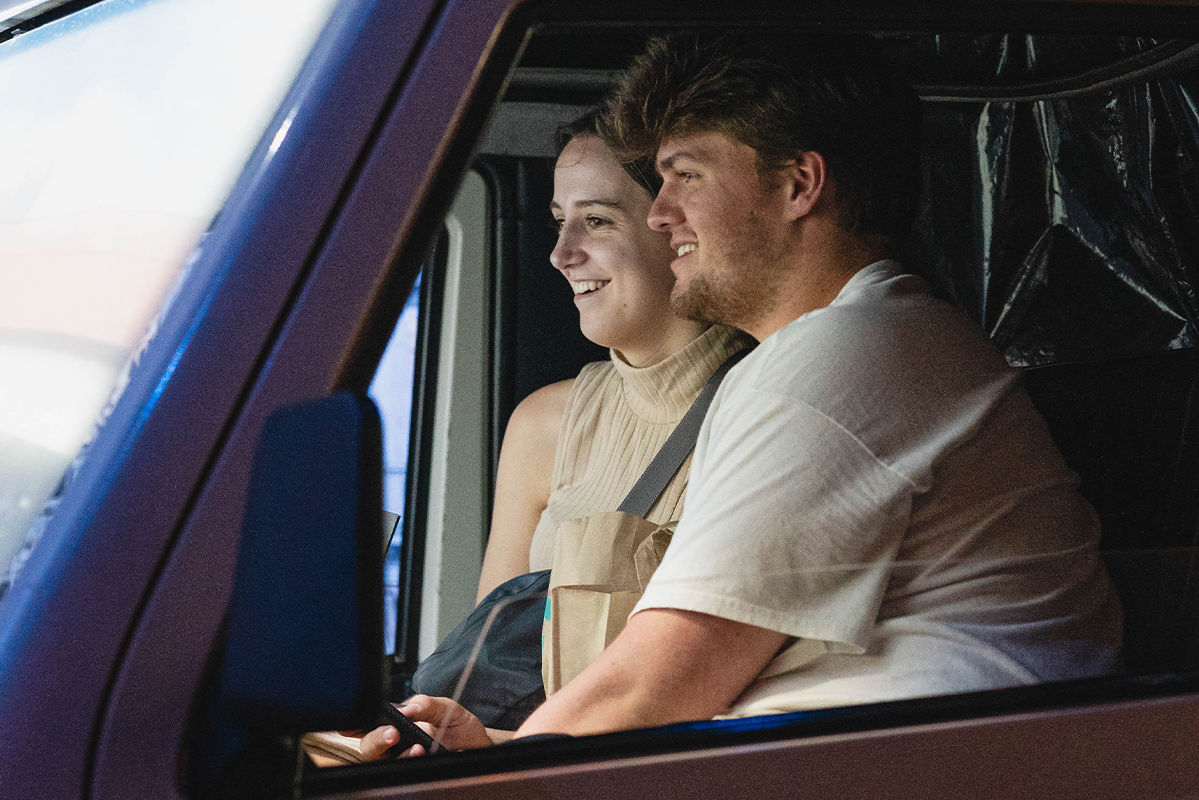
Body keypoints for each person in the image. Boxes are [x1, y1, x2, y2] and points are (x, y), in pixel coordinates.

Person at [362, 32, 1122, 754]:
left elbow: (652, 691)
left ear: (798, 184)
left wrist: (465, 779)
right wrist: (491, 744)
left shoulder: (844, 354)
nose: (661, 215)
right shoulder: (843, 345)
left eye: (686, 176)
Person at [347, 110, 754, 760]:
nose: (561, 254)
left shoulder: (769, 407)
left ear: (678, 230)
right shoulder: (543, 422)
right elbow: (495, 672)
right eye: (557, 221)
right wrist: (471, 744)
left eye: (596, 220)